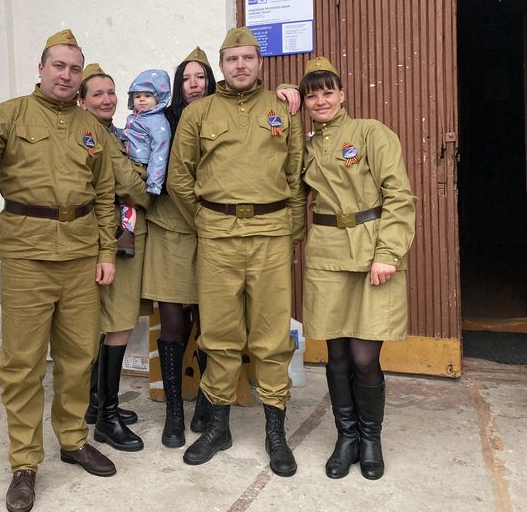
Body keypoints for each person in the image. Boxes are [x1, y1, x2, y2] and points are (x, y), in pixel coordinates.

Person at [0, 30, 118, 512]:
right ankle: (24, 462)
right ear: (41, 69)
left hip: (82, 256)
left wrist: (107, 253)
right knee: (21, 364)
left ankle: (73, 439)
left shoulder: (91, 126)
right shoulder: (11, 114)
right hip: (27, 255)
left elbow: (105, 194)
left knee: (79, 355)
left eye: (74, 68)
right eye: (58, 66)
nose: (66, 75)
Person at [168, 27, 306, 473]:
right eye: (232, 59)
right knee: (220, 335)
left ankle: (275, 430)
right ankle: (219, 426)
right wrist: (207, 223)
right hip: (218, 236)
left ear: (259, 62)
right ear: (221, 66)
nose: (240, 66)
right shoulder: (199, 113)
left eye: (248, 58)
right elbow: (180, 178)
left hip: (270, 233)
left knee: (270, 336)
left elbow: (296, 176)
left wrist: (290, 233)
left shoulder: (282, 109)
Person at [298, 56, 415, 481]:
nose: (320, 100)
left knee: (365, 356)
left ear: (342, 94)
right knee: (337, 353)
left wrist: (388, 252)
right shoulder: (307, 144)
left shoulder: (371, 132)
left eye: (328, 91)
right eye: (312, 95)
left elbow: (399, 196)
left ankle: (371, 438)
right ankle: (345, 437)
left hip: (371, 253)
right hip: (327, 251)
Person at [142, 47, 216, 449]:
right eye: (186, 78)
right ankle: (174, 410)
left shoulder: (223, 116)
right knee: (173, 321)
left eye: (201, 77)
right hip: (170, 230)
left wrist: (289, 91)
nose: (193, 84)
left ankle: (206, 398)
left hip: (210, 231)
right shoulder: (162, 121)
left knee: (211, 321)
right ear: (177, 85)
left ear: (210, 81)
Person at [78, 64, 150, 452]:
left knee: (109, 323)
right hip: (111, 240)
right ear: (82, 100)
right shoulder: (98, 138)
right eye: (97, 94)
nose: (106, 99)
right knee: (119, 322)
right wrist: (152, 187)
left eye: (111, 93)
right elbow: (130, 185)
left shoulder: (112, 133)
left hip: (109, 239)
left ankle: (97, 405)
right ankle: (106, 416)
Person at [116, 68, 172, 256]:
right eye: (137, 96)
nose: (141, 100)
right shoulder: (135, 118)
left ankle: (127, 234)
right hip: (130, 160)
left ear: (159, 98)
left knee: (127, 200)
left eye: (148, 95)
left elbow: (160, 151)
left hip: (142, 165)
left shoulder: (157, 121)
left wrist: (154, 182)